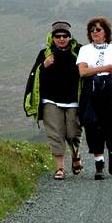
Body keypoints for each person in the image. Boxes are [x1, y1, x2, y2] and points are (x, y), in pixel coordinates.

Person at [24, 21, 83, 180]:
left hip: (73, 100)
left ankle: (76, 155)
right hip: (50, 99)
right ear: (52, 37)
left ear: (70, 37)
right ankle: (60, 168)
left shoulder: (79, 51)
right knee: (55, 134)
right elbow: (34, 74)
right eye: (58, 36)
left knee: (72, 133)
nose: (61, 39)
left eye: (65, 36)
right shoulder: (44, 54)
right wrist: (44, 65)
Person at [76, 17, 112, 180]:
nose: (94, 33)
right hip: (91, 90)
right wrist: (105, 67)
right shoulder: (85, 50)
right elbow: (83, 72)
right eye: (92, 30)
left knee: (111, 125)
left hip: (110, 90)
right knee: (91, 125)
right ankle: (99, 165)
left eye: (98, 29)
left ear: (106, 32)